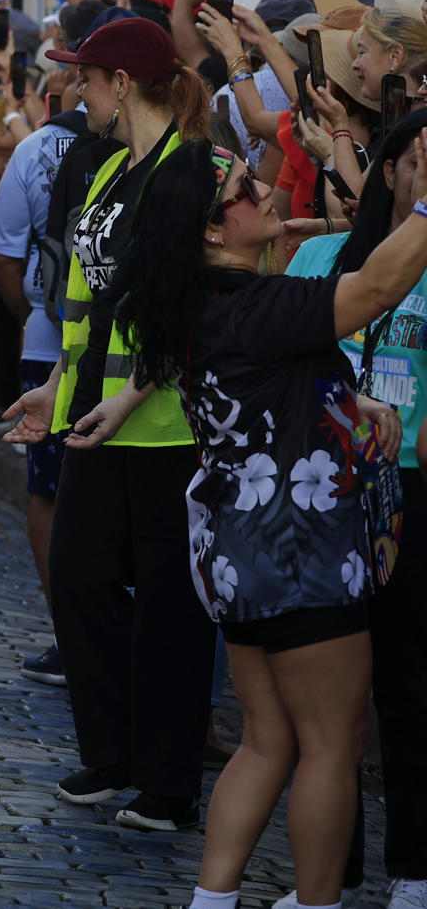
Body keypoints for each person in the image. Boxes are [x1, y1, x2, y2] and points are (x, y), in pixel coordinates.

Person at [106, 137, 426, 909]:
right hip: (300, 551)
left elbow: (278, 396)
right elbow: (379, 285)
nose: (266, 192)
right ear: (213, 231)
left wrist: (356, 402)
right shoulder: (255, 306)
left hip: (240, 553)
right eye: (246, 189)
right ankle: (315, 905)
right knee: (331, 742)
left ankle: (213, 901)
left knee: (270, 739)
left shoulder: (209, 308)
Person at [5, 15, 216, 833]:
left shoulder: (192, 169)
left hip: (165, 429)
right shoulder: (105, 170)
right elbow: (85, 307)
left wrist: (132, 395)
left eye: (85, 79)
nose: (74, 90)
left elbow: (179, 306)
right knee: (81, 576)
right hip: (94, 418)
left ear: (121, 84)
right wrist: (55, 388)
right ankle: (119, 747)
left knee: (169, 602)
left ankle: (168, 781)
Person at [284, 111, 427, 909]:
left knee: (407, 688)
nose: (421, 177)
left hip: (408, 489)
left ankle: (413, 863)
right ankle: (327, 876)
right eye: (411, 161)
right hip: (324, 488)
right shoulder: (318, 257)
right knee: (330, 705)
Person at [0, 59, 95, 686]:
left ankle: (70, 636)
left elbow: (3, 254)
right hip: (89, 346)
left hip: (49, 338)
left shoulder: (36, 146)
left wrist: (28, 314)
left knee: (49, 492)